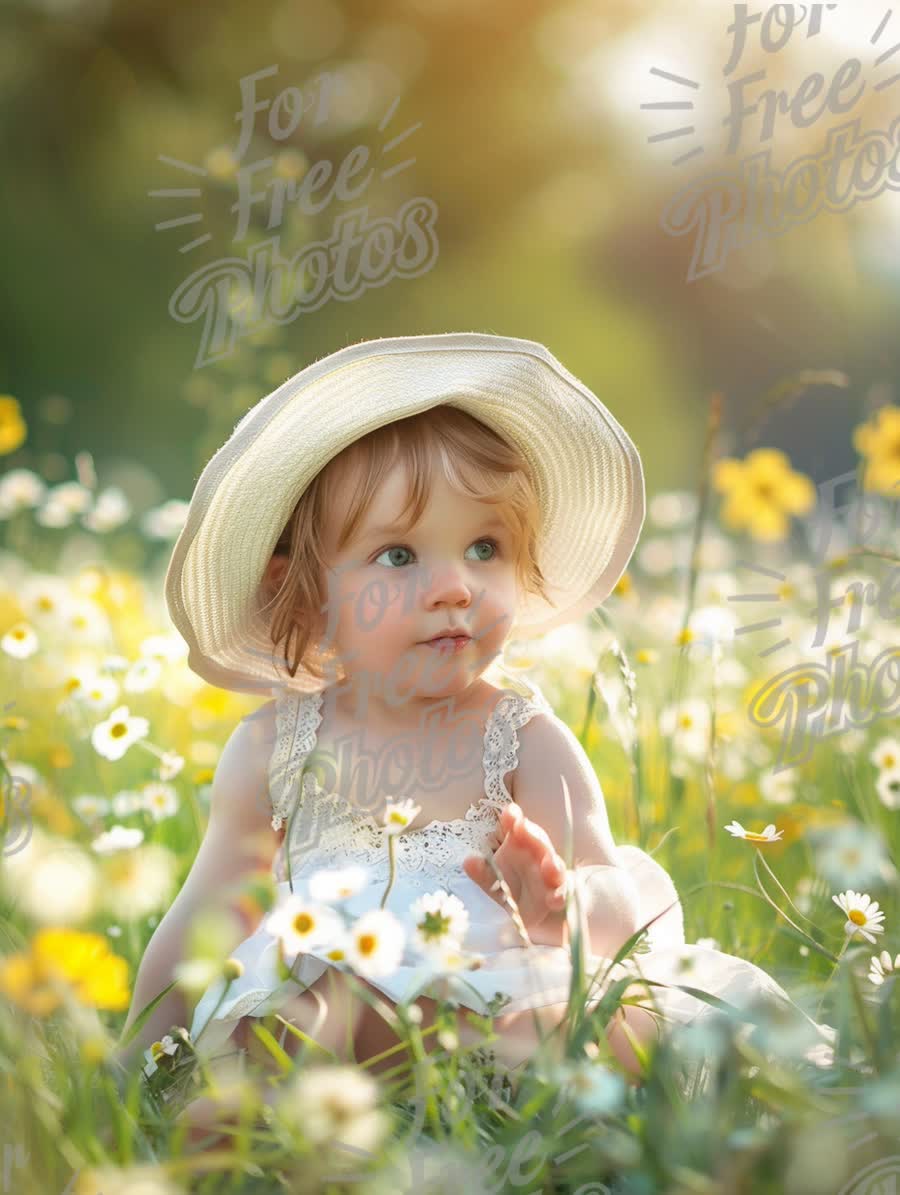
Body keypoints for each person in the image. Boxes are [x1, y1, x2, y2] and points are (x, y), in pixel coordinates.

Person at [113, 332, 833, 1140]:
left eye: (484, 547)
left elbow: (617, 908)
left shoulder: (524, 739)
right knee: (287, 1019)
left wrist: (558, 903)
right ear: (306, 593)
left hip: (495, 1027)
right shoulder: (274, 748)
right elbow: (205, 912)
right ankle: (298, 1127)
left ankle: (521, 1127)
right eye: (398, 554)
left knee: (566, 1022)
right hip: (338, 1041)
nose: (455, 586)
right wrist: (139, 1050)